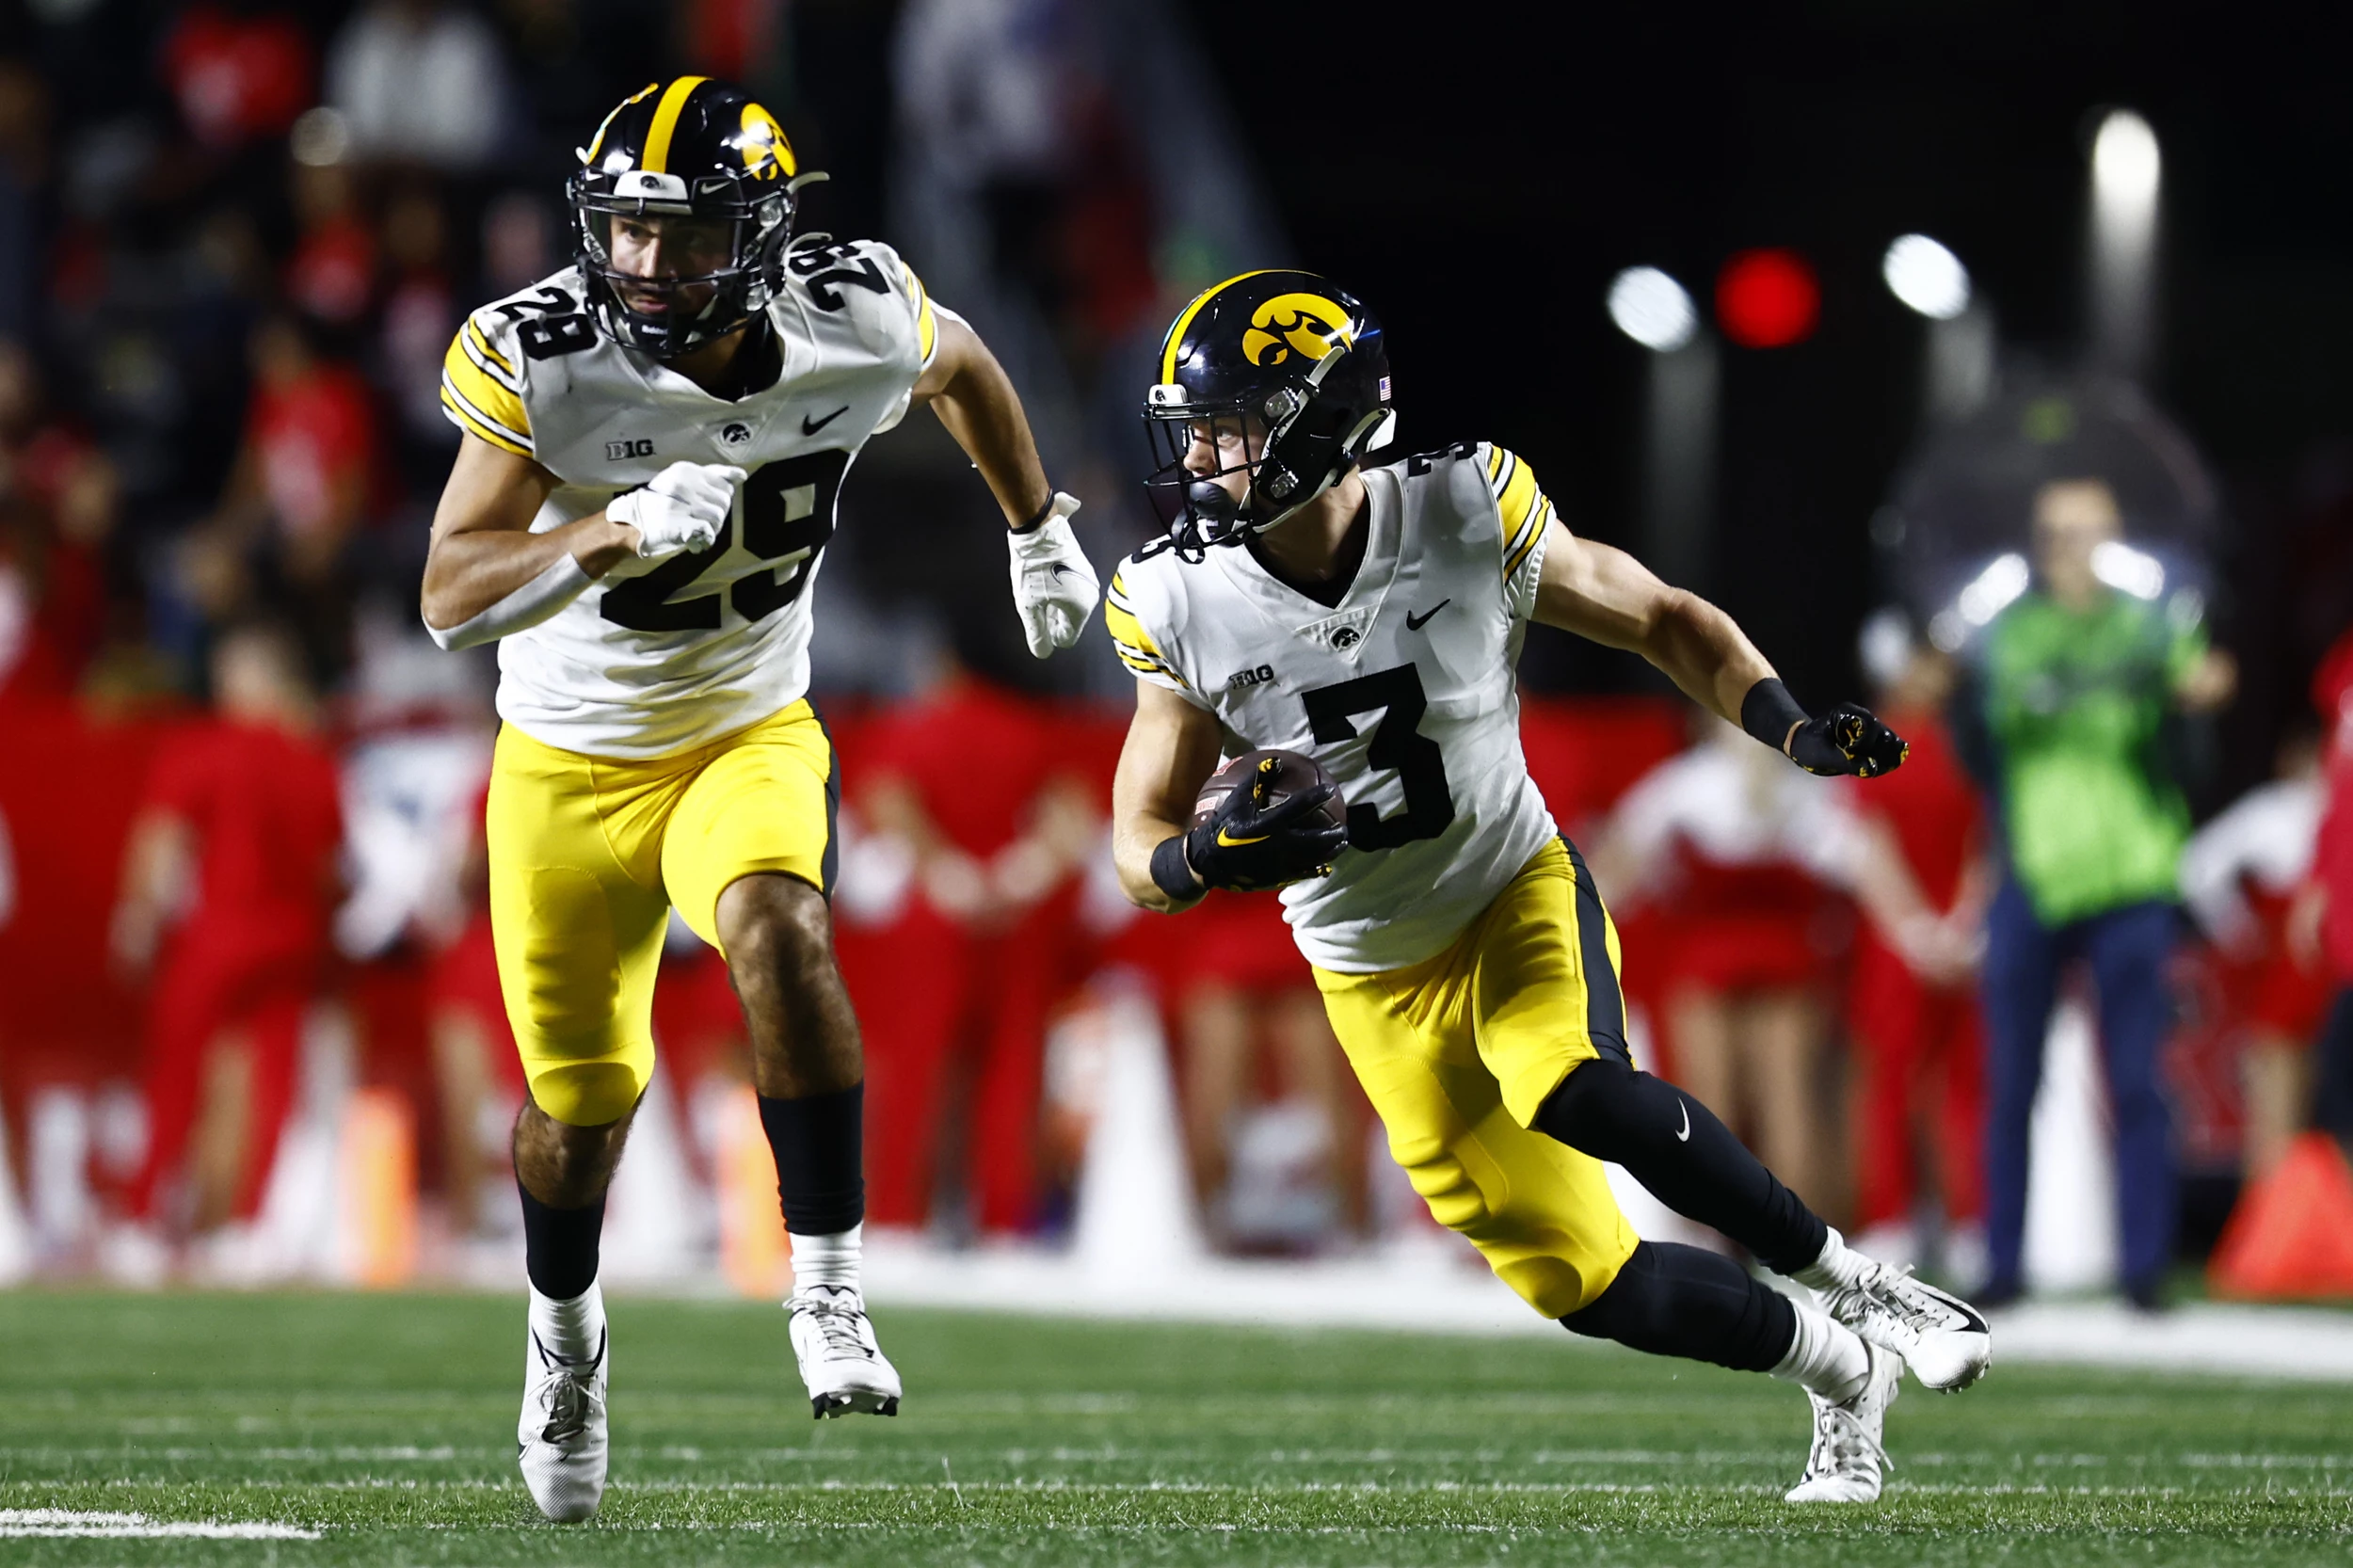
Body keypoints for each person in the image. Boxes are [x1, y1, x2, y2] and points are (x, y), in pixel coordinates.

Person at [1103, 271, 1989, 1506]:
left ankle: (1855, 1276)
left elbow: (1663, 618)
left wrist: (1787, 728)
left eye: (1233, 428)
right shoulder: (1172, 594)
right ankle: (1842, 1367)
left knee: (1565, 1078)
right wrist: (1196, 860)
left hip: (1507, 886)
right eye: (1193, 426)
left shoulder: (1465, 505)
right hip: (1365, 968)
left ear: (1322, 425)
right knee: (1590, 1284)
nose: (1200, 455)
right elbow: (1135, 839)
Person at [417, 78, 1098, 1522]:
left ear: (767, 234)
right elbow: (445, 593)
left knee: (783, 931)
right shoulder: (546, 358)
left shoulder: (853, 315)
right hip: (564, 760)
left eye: (689, 232)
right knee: (577, 1109)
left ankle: (830, 1288)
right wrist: (605, 530)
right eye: (629, 230)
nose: (651, 265)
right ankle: (564, 1334)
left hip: (745, 727)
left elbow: (965, 366)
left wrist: (1037, 529)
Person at [1970, 477, 2235, 1311]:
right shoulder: (2013, 631)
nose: (2071, 550)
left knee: (2139, 1080)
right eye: (2056, 534)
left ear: (2115, 539)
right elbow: (2005, 709)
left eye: (2087, 532)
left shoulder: (2153, 621)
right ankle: (2003, 1265)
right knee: (2011, 1079)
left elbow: (2205, 677)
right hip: (2037, 872)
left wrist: (2203, 682)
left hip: (2132, 872)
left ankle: (2145, 1269)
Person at [110, 624, 343, 1263]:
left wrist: (137, 920)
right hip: (293, 940)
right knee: (273, 1085)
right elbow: (333, 866)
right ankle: (247, 1228)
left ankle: (143, 1218)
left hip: (217, 935)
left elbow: (161, 841)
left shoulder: (203, 747)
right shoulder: (313, 757)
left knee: (175, 1081)